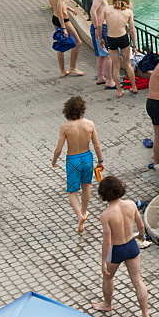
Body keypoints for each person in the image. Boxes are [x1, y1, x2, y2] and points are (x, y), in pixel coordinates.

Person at [91, 175, 151, 317]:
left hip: (116, 249)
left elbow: (107, 240)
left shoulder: (105, 215)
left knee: (108, 277)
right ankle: (145, 315)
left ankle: (107, 304)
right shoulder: (131, 204)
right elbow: (141, 225)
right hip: (131, 245)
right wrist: (141, 237)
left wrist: (103, 261)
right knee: (138, 280)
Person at [52, 96, 104, 234]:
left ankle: (79, 215)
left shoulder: (65, 127)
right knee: (86, 186)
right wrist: (100, 161)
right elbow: (97, 146)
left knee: (72, 191)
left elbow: (59, 148)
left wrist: (54, 160)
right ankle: (84, 211)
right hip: (87, 157)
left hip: (73, 159)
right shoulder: (90, 124)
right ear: (82, 109)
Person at [49, 0, 85, 78]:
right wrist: (64, 28)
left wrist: (69, 8)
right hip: (63, 20)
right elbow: (60, 11)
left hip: (55, 18)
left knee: (61, 45)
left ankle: (63, 71)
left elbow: (56, 5)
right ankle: (72, 67)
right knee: (78, 42)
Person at [103, 0, 138, 98]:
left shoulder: (107, 9)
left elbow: (100, 24)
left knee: (116, 66)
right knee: (127, 64)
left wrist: (100, 38)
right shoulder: (128, 12)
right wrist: (134, 46)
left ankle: (119, 91)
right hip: (123, 38)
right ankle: (134, 87)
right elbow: (132, 30)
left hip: (111, 38)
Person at [90, 0, 120, 89]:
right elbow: (92, 11)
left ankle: (100, 77)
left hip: (100, 26)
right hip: (100, 27)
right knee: (108, 55)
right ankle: (109, 80)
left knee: (100, 54)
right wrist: (96, 27)